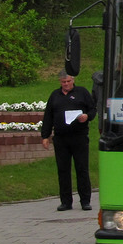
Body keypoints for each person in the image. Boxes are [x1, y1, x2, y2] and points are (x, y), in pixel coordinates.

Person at [41, 74, 96, 211]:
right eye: (63, 82)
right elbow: (48, 116)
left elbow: (93, 109)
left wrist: (87, 116)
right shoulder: (55, 95)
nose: (66, 84)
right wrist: (45, 136)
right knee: (63, 170)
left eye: (68, 81)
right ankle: (65, 201)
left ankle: (85, 201)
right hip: (61, 138)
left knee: (82, 168)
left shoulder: (82, 92)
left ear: (73, 80)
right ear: (60, 82)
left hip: (79, 137)